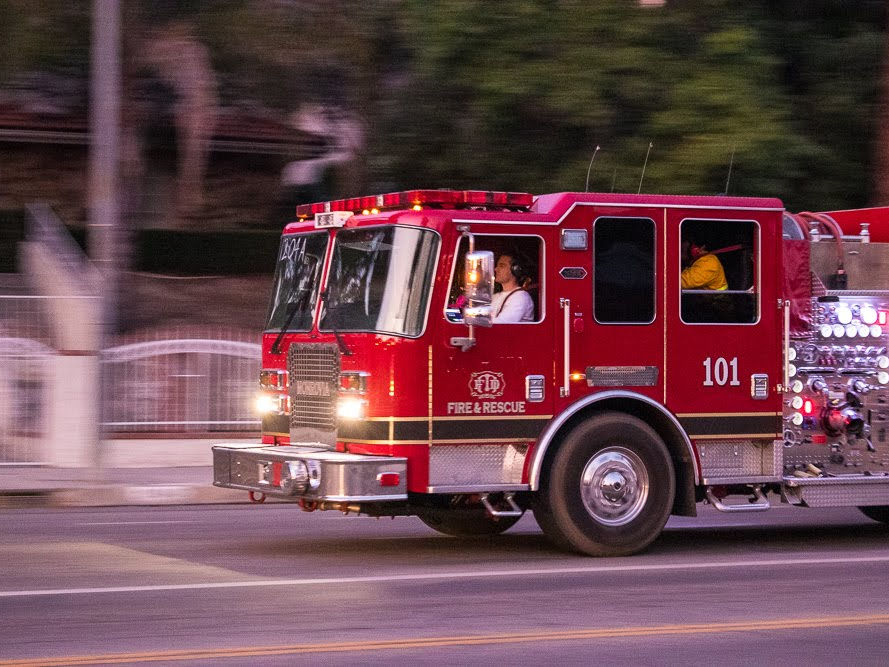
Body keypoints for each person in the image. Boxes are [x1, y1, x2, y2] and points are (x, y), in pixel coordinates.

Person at [491, 252, 535, 323]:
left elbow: (501, 324)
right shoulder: (495, 297)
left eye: (502, 266)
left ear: (515, 270)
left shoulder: (521, 297)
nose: (496, 269)